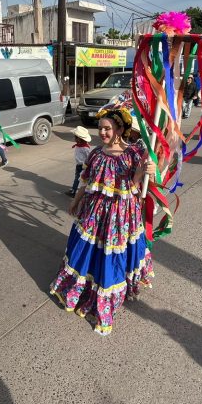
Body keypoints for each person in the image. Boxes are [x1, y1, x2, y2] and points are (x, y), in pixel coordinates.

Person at [50, 108, 155, 335]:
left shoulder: (133, 154)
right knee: (86, 250)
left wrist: (149, 171)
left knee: (111, 256)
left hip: (121, 215)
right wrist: (76, 201)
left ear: (119, 129)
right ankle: (81, 290)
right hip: (94, 211)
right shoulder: (96, 153)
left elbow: (136, 188)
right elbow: (86, 182)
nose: (103, 132)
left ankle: (108, 298)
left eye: (107, 128)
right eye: (100, 128)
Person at [68, 126, 92, 196]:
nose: (75, 139)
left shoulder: (85, 148)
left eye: (76, 137)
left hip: (83, 166)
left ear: (81, 139)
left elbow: (89, 157)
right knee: (78, 178)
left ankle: (74, 191)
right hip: (78, 165)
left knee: (80, 179)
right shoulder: (78, 145)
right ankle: (75, 189)